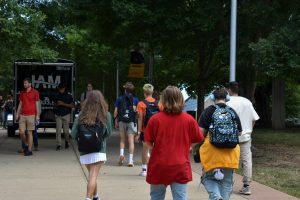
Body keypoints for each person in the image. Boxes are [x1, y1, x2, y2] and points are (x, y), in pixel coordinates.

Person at [144, 86, 204, 200]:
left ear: (163, 100)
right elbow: (197, 138)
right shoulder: (189, 120)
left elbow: (147, 142)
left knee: (156, 197)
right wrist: (188, 147)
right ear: (181, 99)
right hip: (180, 166)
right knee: (180, 197)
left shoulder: (155, 119)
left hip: (159, 165)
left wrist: (153, 150)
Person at [199, 86, 242, 200]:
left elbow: (200, 133)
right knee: (227, 182)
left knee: (208, 179)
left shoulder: (208, 111)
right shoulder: (232, 112)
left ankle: (216, 197)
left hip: (212, 153)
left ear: (213, 97)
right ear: (227, 98)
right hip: (231, 153)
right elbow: (239, 133)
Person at [71, 90, 113, 200]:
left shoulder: (81, 114)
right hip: (99, 150)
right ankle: (88, 198)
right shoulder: (106, 114)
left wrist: (84, 138)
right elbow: (108, 133)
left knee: (91, 175)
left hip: (84, 150)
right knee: (93, 176)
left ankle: (96, 196)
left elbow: (73, 133)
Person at [226, 81, 260, 195]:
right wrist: (249, 130)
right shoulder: (247, 102)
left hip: (230, 137)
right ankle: (246, 186)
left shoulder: (227, 102)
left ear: (229, 90)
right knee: (246, 161)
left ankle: (228, 183)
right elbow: (254, 119)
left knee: (229, 159)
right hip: (245, 136)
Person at [135, 84, 162, 177]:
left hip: (145, 130)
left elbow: (140, 119)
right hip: (157, 130)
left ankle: (144, 170)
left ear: (144, 93)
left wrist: (138, 133)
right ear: (152, 92)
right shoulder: (159, 103)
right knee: (156, 149)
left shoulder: (141, 104)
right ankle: (156, 168)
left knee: (145, 149)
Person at [114, 81, 139, 167]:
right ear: (132, 90)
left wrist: (115, 120)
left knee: (122, 140)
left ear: (125, 90)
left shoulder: (119, 99)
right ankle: (130, 160)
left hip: (122, 120)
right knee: (131, 141)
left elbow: (116, 111)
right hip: (131, 121)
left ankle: (121, 154)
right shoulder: (135, 100)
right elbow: (137, 112)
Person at [16, 78, 40, 156]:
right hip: (22, 115)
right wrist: (17, 114)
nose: (24, 84)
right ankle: (26, 144)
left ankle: (29, 150)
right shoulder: (22, 93)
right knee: (21, 132)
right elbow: (20, 104)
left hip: (31, 115)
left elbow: (37, 104)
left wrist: (37, 116)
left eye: (26, 83)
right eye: (24, 83)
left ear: (30, 84)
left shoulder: (35, 92)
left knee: (29, 133)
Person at [54, 83, 74, 151]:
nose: (60, 90)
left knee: (66, 131)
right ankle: (58, 144)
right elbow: (54, 105)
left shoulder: (69, 96)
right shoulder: (56, 95)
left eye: (61, 89)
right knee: (58, 130)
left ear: (64, 88)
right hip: (58, 114)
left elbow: (72, 105)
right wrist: (57, 104)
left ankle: (66, 141)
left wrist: (63, 104)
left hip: (66, 114)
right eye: (59, 89)